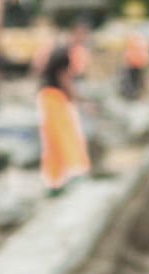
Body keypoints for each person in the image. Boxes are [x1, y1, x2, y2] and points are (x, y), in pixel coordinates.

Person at [36, 45, 90, 196]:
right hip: (55, 101)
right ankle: (70, 173)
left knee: (52, 144)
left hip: (49, 99)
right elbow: (66, 82)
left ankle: (54, 181)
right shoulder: (63, 63)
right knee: (64, 139)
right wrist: (81, 101)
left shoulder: (54, 63)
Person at [121, 31, 149, 100]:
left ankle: (132, 94)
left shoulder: (132, 42)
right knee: (138, 80)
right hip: (140, 64)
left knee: (132, 80)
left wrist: (126, 61)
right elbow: (145, 53)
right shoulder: (142, 42)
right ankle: (137, 93)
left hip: (133, 64)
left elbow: (127, 53)